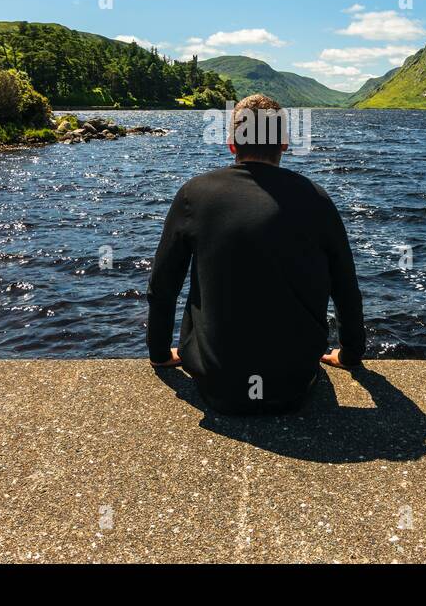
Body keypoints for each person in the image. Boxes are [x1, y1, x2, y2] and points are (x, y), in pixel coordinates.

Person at [146, 93, 365, 413]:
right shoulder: (316, 199)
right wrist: (349, 354)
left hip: (216, 382)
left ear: (232, 143)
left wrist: (160, 353)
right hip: (295, 382)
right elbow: (345, 288)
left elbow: (163, 286)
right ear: (284, 144)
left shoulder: (194, 194)